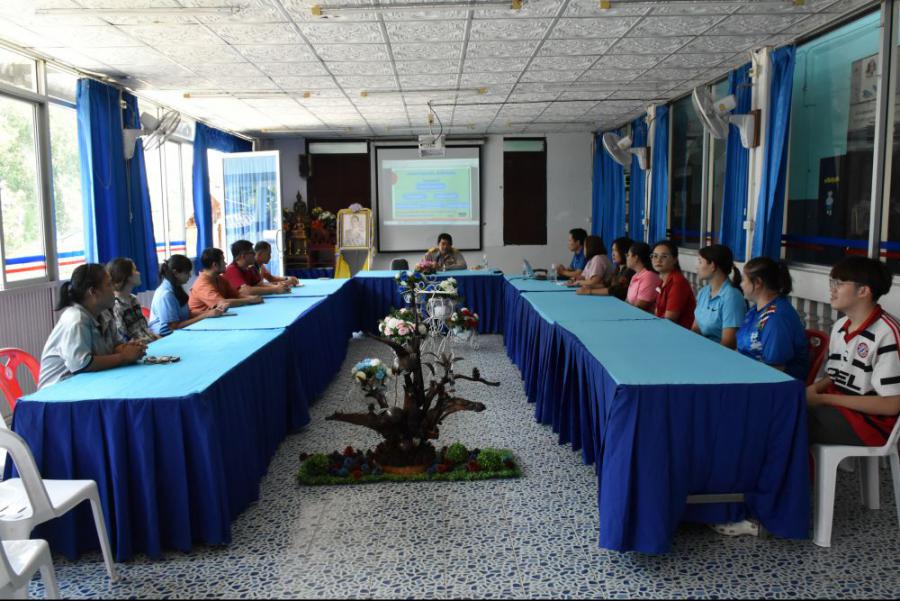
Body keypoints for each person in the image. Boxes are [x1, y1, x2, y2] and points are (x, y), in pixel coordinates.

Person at [806, 256, 900, 446]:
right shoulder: (840, 326)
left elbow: (891, 405)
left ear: (863, 291)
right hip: (840, 409)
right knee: (779, 410)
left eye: (839, 284)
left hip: (870, 424)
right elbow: (836, 375)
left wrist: (824, 399)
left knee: (787, 424)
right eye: (832, 283)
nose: (832, 290)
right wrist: (813, 389)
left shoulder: (887, 333)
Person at [38, 263, 146, 389]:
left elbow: (115, 346)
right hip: (59, 390)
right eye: (109, 284)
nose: (114, 289)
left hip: (85, 384)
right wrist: (123, 357)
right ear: (93, 292)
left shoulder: (104, 313)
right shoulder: (76, 319)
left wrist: (129, 348)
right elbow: (82, 364)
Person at [736, 257, 808, 381]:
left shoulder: (776, 319)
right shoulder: (755, 310)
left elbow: (774, 369)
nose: (741, 284)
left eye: (743, 280)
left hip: (772, 384)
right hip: (749, 374)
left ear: (757, 283)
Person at [149, 254, 227, 336]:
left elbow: (187, 314)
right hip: (165, 336)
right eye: (187, 273)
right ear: (175, 273)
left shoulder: (176, 287)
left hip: (178, 330)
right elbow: (173, 327)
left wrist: (209, 312)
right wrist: (205, 315)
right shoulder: (166, 294)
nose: (190, 276)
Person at [692, 244, 747, 348]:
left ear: (713, 266)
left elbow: (728, 343)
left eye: (700, 262)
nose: (696, 266)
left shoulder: (732, 297)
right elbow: (695, 328)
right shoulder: (704, 292)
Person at [189, 247, 263, 314]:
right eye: (223, 261)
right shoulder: (202, 285)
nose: (225, 263)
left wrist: (251, 297)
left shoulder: (220, 279)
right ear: (215, 265)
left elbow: (236, 295)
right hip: (201, 321)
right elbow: (222, 303)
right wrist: (249, 300)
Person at [107, 257, 159, 343]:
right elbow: (124, 340)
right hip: (139, 347)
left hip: (150, 342)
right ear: (126, 276)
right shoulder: (116, 306)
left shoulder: (134, 299)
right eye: (135, 270)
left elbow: (144, 329)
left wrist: (155, 337)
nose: (139, 273)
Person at [650, 240, 696, 330]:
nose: (658, 260)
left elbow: (669, 319)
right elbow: (657, 312)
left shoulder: (678, 282)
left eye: (664, 256)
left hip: (677, 333)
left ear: (675, 259)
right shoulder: (663, 280)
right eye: (655, 256)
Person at [223, 240, 291, 296]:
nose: (255, 254)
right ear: (243, 256)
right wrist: (275, 289)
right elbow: (245, 291)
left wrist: (279, 286)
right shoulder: (231, 270)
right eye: (252, 253)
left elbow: (260, 285)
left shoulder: (249, 269)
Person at [624, 241, 660, 312]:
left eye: (628, 255)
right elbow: (627, 300)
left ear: (636, 257)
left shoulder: (649, 277)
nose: (626, 258)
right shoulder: (635, 275)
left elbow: (639, 307)